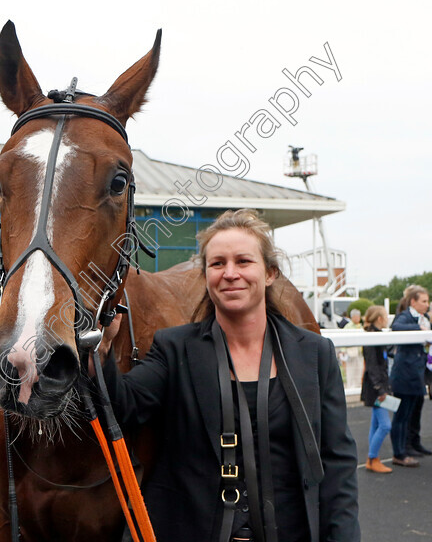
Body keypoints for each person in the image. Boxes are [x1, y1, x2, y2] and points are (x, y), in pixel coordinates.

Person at [98, 209, 359, 542]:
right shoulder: (174, 348)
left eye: (244, 261)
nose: (230, 273)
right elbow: (124, 406)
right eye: (217, 263)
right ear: (205, 276)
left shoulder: (315, 354)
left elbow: (337, 463)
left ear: (270, 273)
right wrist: (101, 353)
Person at [390, 285, 431, 466]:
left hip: (417, 373)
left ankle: (411, 446)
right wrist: (418, 329)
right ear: (413, 302)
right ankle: (399, 453)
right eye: (424, 301)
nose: (427, 304)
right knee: (401, 416)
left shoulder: (425, 318)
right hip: (405, 374)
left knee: (411, 414)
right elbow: (396, 327)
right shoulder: (405, 316)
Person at [360, 305, 393, 473]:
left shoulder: (377, 336)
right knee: (385, 426)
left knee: (375, 424)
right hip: (376, 388)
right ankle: (372, 458)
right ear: (380, 319)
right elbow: (372, 367)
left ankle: (372, 459)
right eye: (385, 316)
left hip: (378, 386)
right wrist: (381, 390)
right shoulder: (372, 338)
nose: (387, 318)